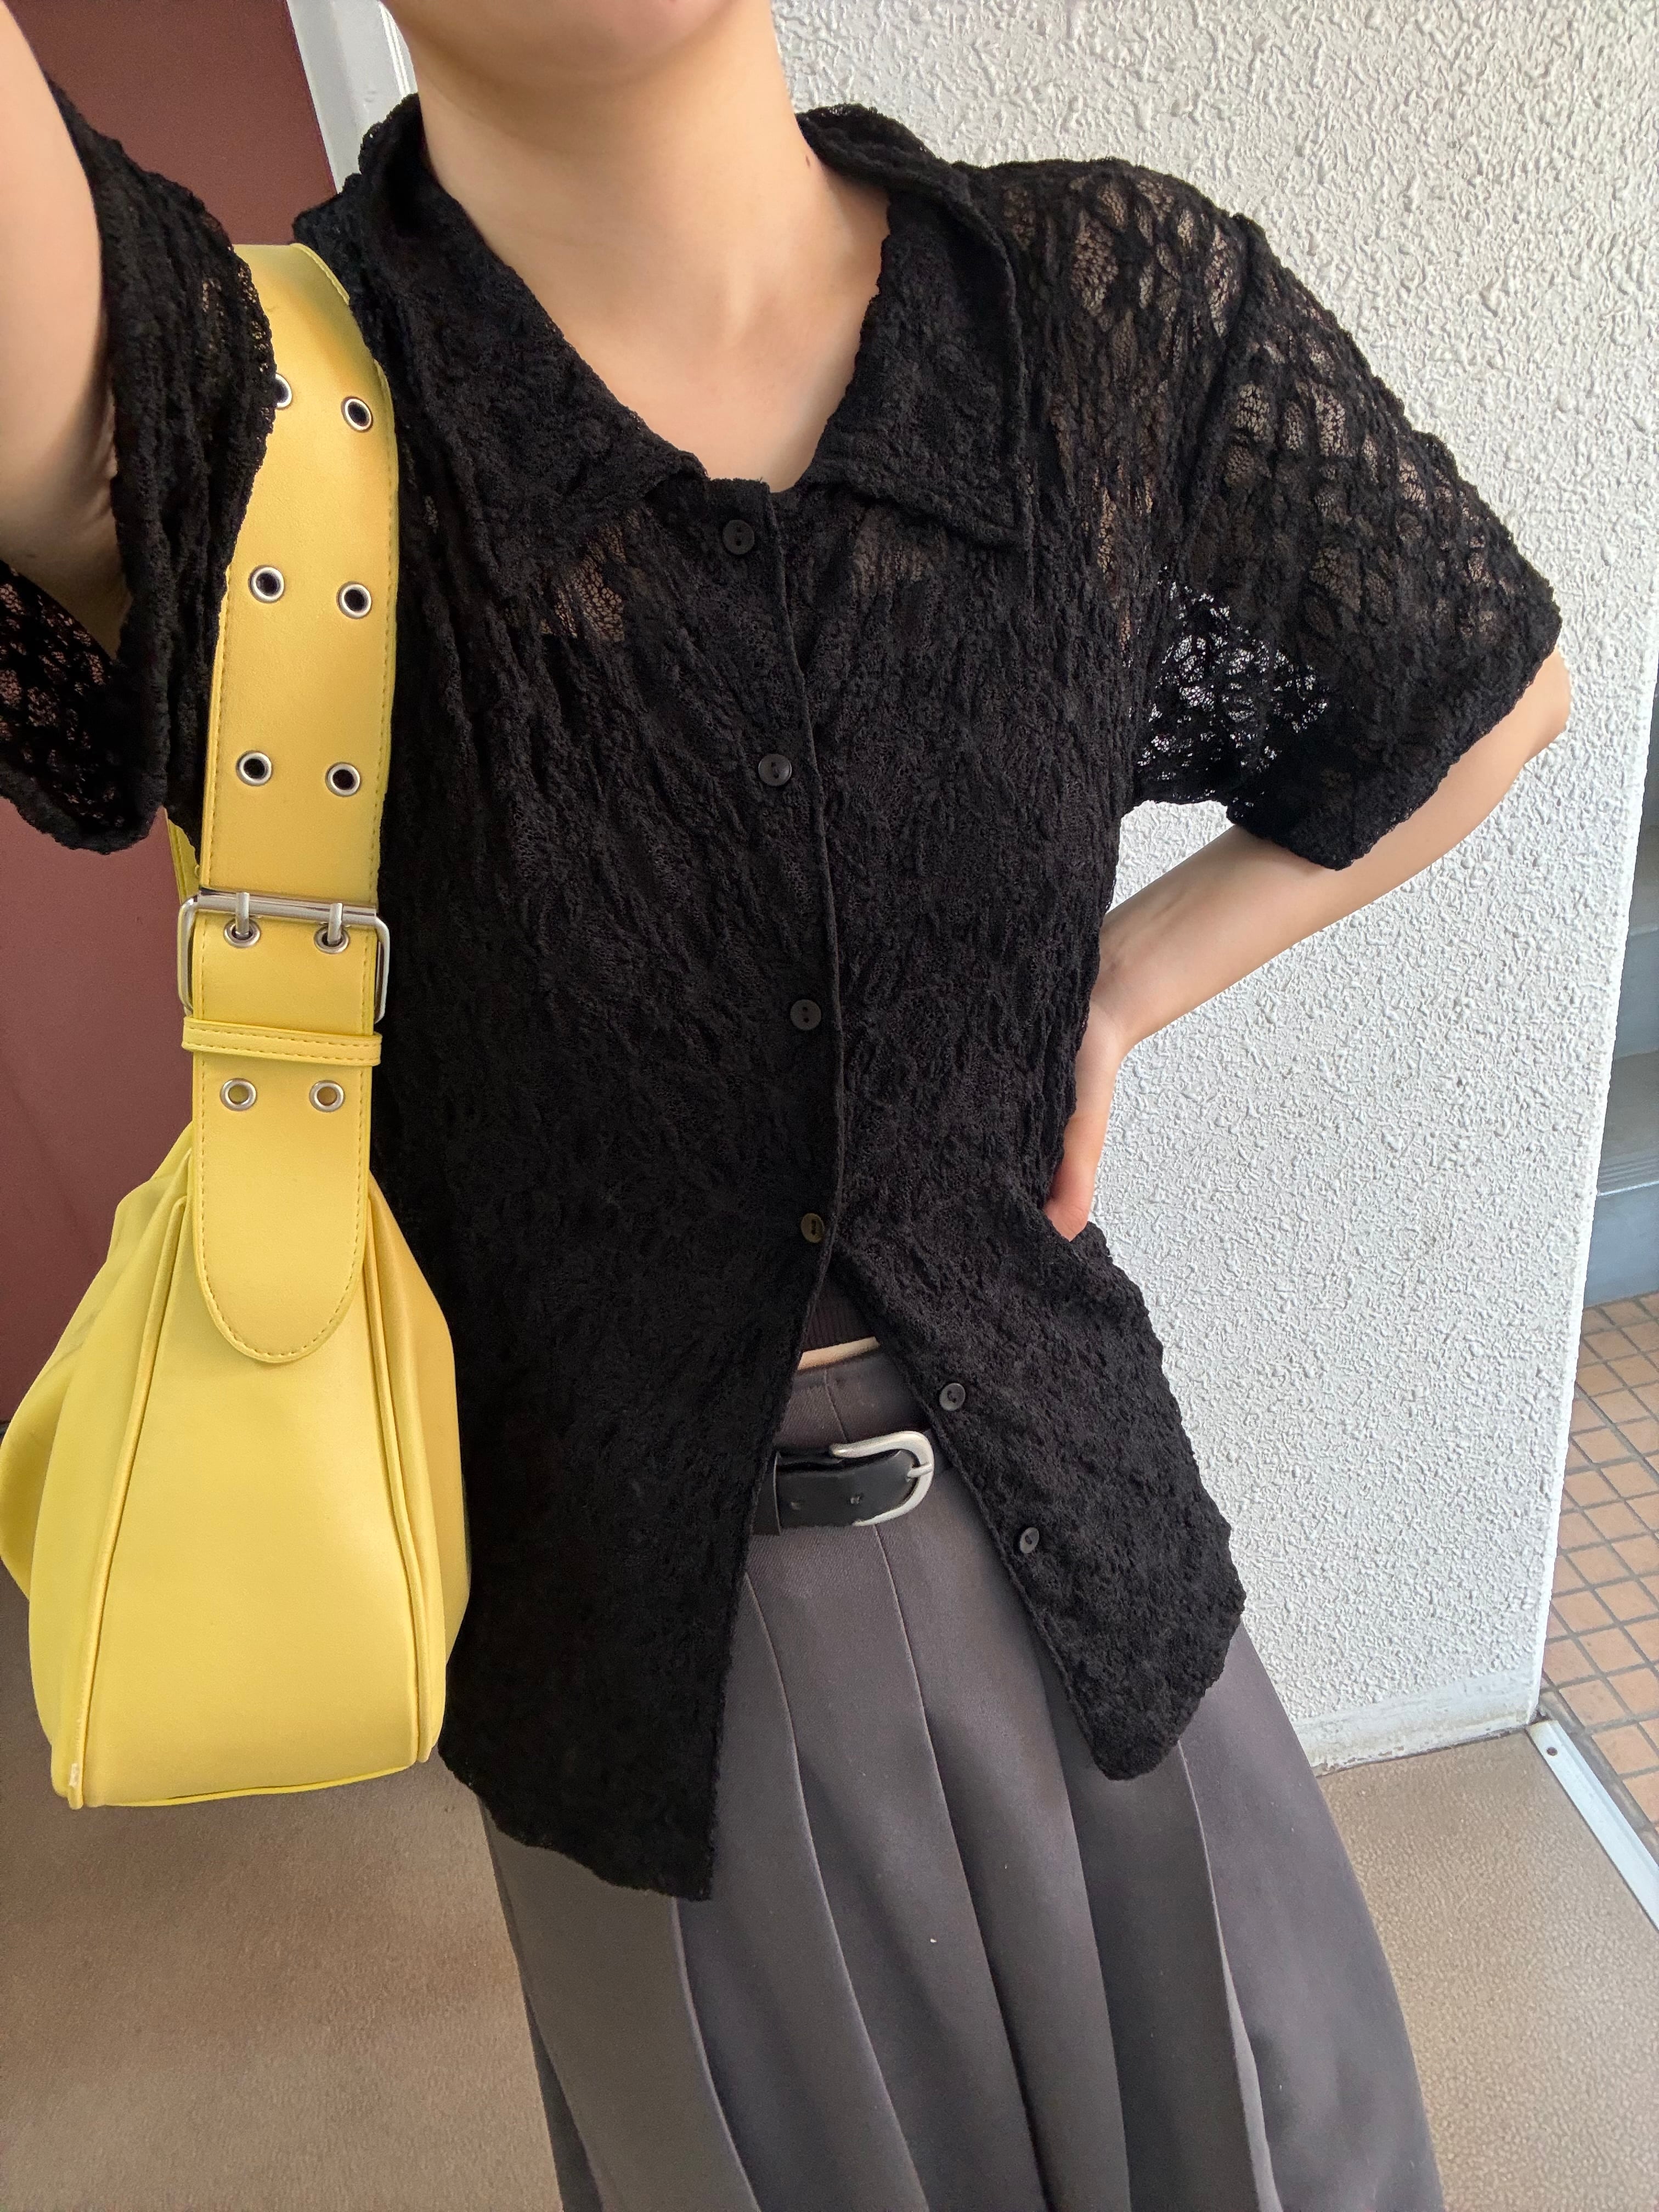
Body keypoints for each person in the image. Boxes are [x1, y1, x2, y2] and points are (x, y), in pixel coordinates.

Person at [0, 3, 1570, 2207]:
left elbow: (1478, 677)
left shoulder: (1098, 317)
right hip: (636, 1689)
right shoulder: (240, 411)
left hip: (1095, 1576)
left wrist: (1129, 982)